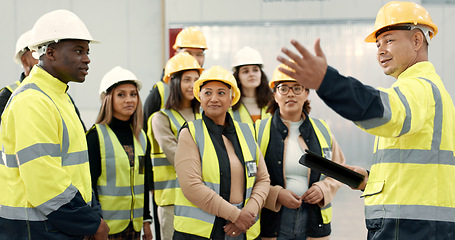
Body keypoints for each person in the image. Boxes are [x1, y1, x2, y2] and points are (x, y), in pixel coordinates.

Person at [277, 2, 455, 239]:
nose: (380, 50)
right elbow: (415, 167)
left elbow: (383, 112)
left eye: (389, 40)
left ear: (416, 41)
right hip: (414, 225)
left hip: (411, 228)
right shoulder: (425, 90)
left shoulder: (419, 88)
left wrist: (327, 82)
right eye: (378, 44)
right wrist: (370, 181)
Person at [0, 9, 109, 240]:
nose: (87, 59)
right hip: (37, 229)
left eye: (87, 51)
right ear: (50, 53)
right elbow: (44, 181)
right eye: (79, 51)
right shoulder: (33, 101)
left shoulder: (60, 97)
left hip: (58, 224)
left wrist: (88, 217)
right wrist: (90, 223)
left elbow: (75, 170)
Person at [173, 66, 270, 239]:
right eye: (208, 93)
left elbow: (262, 179)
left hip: (243, 229)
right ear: (200, 97)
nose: (214, 99)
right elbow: (191, 186)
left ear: (232, 97)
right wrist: (236, 215)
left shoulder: (247, 132)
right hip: (200, 233)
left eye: (221, 93)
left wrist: (249, 213)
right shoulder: (190, 133)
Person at [255, 64, 345, 240]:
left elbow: (339, 170)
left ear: (306, 94)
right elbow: (248, 176)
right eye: (283, 88)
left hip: (313, 220)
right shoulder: (258, 131)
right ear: (274, 95)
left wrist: (323, 188)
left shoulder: (322, 130)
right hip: (272, 220)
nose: (290, 93)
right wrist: (276, 194)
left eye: (297, 88)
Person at [86, 66, 153, 240]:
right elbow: (88, 187)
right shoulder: (95, 136)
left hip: (134, 226)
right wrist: (95, 223)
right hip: (104, 228)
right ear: (108, 99)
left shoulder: (142, 137)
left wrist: (146, 221)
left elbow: (143, 184)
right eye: (121, 94)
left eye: (133, 94)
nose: (129, 100)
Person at [147, 52, 203, 240]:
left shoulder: (204, 117)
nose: (192, 85)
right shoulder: (161, 118)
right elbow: (176, 156)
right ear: (174, 82)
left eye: (196, 79)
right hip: (172, 201)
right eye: (187, 79)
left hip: (203, 198)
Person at [0, 29, 87, 130]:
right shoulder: (6, 97)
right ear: (25, 61)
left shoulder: (64, 97)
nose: (46, 57)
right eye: (38, 54)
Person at [143, 27, 208, 130]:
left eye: (199, 54)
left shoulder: (205, 87)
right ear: (176, 54)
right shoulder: (161, 91)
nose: (193, 59)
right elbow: (144, 127)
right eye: (188, 53)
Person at [229, 46, 272, 124]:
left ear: (261, 74)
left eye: (255, 70)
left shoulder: (273, 103)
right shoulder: (229, 105)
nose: (251, 74)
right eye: (245, 71)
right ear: (237, 77)